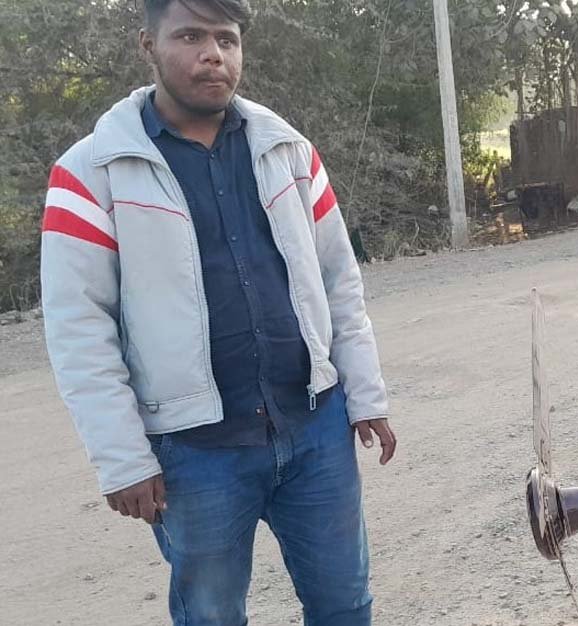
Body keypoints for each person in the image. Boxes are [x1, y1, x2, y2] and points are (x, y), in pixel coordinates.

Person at [40, 1, 396, 624]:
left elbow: (339, 280)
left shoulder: (289, 151)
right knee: (211, 616)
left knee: (345, 604)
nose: (213, 54)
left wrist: (365, 393)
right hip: (194, 453)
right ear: (147, 45)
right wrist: (123, 458)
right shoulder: (92, 172)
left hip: (314, 429)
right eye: (190, 36)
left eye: (227, 40)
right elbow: (79, 328)